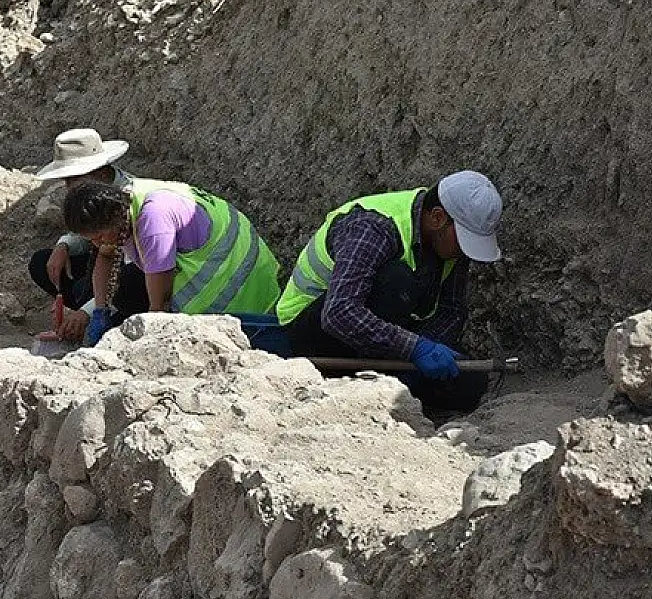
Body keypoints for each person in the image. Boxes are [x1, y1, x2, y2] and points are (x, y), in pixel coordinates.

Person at [277, 170, 503, 413]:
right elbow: (340, 313)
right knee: (397, 280)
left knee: (469, 384)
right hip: (313, 331)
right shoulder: (373, 228)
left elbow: (451, 310)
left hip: (383, 335)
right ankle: (369, 382)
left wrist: (434, 348)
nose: (465, 253)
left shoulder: (448, 245)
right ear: (437, 218)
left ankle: (395, 382)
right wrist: (415, 348)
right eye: (463, 240)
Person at [62, 178, 281, 344]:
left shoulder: (153, 220)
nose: (98, 243)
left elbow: (160, 308)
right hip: (244, 266)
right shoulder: (127, 200)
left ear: (112, 219)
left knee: (129, 289)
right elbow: (106, 254)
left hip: (243, 295)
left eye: (99, 236)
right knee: (127, 287)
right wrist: (99, 310)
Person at [28, 128, 150, 342]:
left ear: (101, 174)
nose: (67, 187)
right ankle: (86, 316)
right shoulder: (96, 194)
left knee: (127, 284)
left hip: (133, 276)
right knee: (41, 263)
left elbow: (128, 266)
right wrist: (64, 245)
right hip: (102, 271)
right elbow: (93, 235)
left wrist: (88, 310)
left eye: (73, 180)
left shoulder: (130, 200)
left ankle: (98, 317)